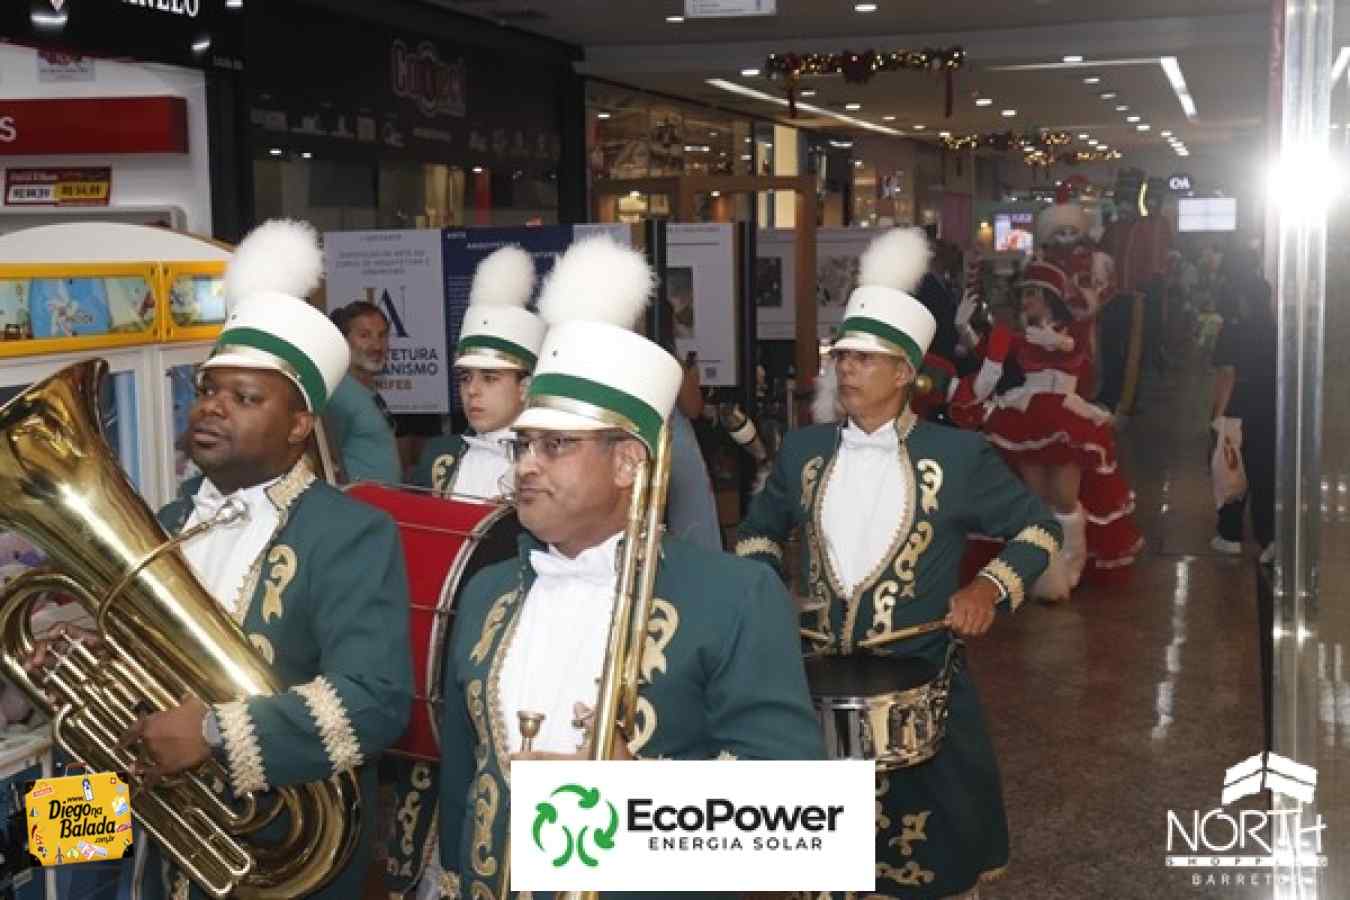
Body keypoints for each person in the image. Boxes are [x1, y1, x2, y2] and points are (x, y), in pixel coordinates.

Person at [22, 221, 414, 898]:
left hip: (282, 867)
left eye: (245, 398)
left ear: (299, 426)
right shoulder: (166, 526)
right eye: (208, 390)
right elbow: (119, 722)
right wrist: (83, 675)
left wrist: (214, 733)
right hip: (156, 865)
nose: (212, 409)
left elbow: (375, 702)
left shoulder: (351, 532)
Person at [429, 235, 824, 899]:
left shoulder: (733, 596)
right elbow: (462, 783)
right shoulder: (486, 592)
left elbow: (796, 824)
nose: (526, 465)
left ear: (627, 462)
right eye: (524, 444)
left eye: (556, 445)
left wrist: (640, 796)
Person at [736, 227, 1061, 900]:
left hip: (921, 689)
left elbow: (1039, 529)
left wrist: (988, 588)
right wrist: (768, 594)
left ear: (906, 373)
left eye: (865, 358)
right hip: (814, 688)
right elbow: (757, 533)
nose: (846, 369)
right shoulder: (802, 452)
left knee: (925, 866)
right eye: (842, 356)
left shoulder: (959, 456)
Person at [978, 262, 1142, 586]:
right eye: (1023, 294)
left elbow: (1080, 348)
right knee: (1036, 503)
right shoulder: (1022, 335)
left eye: (1032, 294)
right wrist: (966, 330)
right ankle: (1043, 573)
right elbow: (988, 353)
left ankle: (1069, 568)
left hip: (1065, 418)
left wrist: (1063, 337)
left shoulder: (1076, 329)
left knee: (1065, 499)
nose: (1025, 301)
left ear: (1049, 296)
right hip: (1027, 416)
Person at [412, 245, 546, 499]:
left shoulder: (549, 464)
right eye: (465, 378)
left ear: (525, 388)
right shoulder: (439, 454)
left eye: (489, 378)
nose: (472, 390)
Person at [1210, 248, 1276, 562]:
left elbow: (1227, 375)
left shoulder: (1232, 330)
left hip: (1239, 405)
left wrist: (1217, 417)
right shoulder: (1275, 331)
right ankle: (1269, 537)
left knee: (1231, 468)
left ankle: (1230, 534)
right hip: (1269, 405)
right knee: (1264, 472)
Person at [326, 300, 403, 483]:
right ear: (342, 341)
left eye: (382, 335)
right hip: (355, 500)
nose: (377, 346)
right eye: (365, 336)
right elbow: (329, 464)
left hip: (384, 500)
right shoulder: (339, 393)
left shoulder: (364, 388)